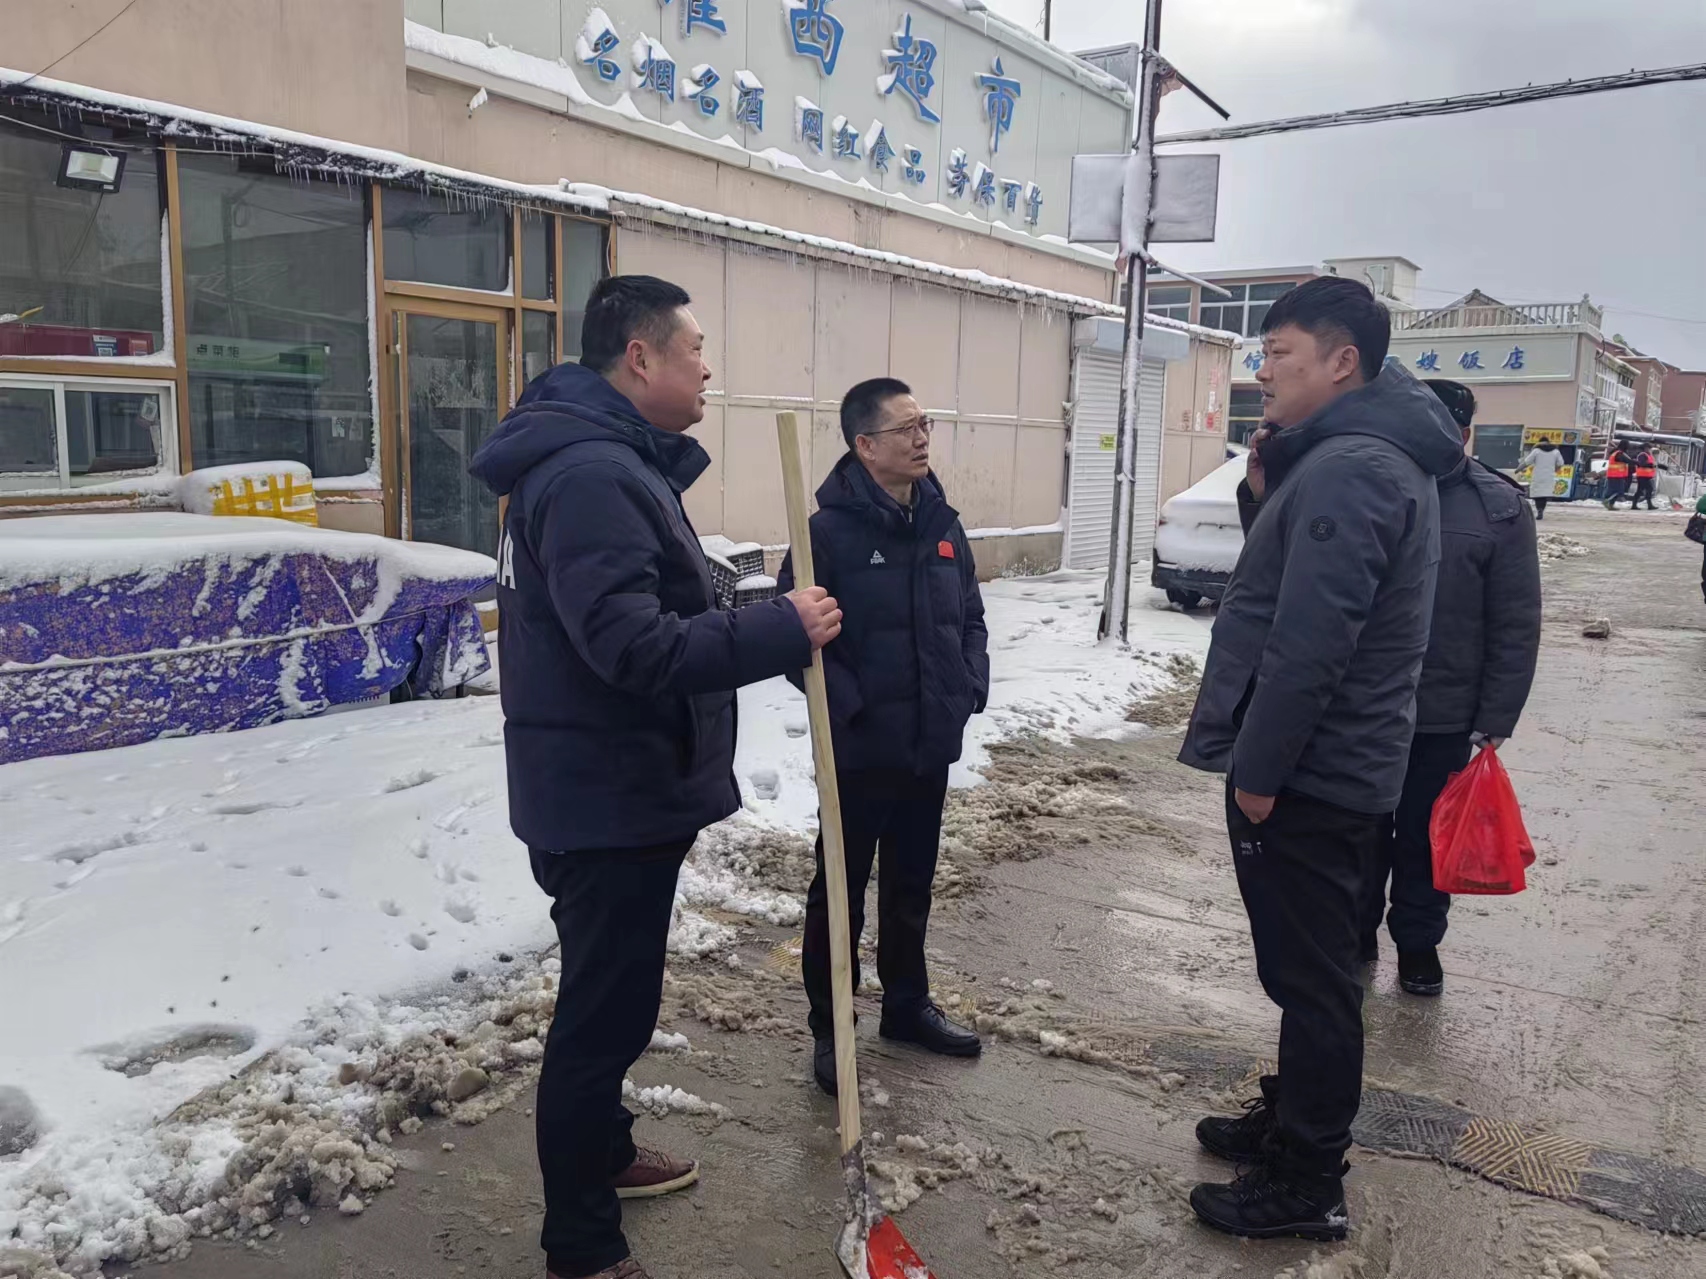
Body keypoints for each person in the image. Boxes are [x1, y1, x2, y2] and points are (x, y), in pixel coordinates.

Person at [468, 275, 843, 1279]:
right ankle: (582, 1245)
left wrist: (748, 609)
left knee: (612, 999)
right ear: (640, 357)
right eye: (695, 349)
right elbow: (631, 648)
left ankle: (604, 1150)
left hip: (606, 785)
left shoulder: (602, 459)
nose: (707, 367)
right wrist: (778, 630)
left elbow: (642, 608)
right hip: (605, 797)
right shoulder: (592, 472)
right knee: (600, 1019)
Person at [1178, 276, 1465, 1242]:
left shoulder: (1355, 468)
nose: (1263, 372)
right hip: (1336, 765)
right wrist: (1269, 492)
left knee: (1315, 978)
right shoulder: (1354, 457)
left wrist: (1259, 773)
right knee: (1312, 969)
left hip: (1313, 774)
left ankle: (1308, 1179)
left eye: (1280, 354)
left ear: (1343, 362)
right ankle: (1293, 1117)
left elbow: (1310, 644)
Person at [776, 377, 989, 1097]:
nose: (922, 437)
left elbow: (970, 615)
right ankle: (831, 1027)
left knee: (911, 883)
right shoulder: (825, 535)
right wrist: (853, 708)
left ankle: (906, 1004)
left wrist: (968, 686)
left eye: (925, 423)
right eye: (906, 428)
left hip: (929, 741)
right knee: (839, 891)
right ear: (865, 445)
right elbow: (795, 641)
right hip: (860, 749)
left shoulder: (941, 522)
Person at [1362, 380, 1542, 995]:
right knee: (1357, 830)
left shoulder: (1498, 508)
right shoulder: (1373, 485)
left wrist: (1496, 716)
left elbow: (1515, 621)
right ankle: (1355, 931)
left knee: (1423, 837)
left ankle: (1417, 943)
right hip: (1365, 705)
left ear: (1463, 433)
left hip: (1443, 714)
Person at [1521, 439, 1563, 520]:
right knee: (1544, 495)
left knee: (1538, 495)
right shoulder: (1556, 452)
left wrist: (1518, 469)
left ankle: (1539, 509)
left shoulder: (1536, 451)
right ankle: (1541, 510)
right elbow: (1560, 463)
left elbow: (1527, 462)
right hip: (1549, 476)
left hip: (1538, 476)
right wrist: (1555, 469)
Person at [1631, 445, 1664, 510]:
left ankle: (1635, 505)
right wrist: (1652, 465)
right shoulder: (1642, 455)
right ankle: (1649, 505)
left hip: (1646, 476)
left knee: (1641, 490)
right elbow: (1642, 464)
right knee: (1649, 489)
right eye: (1649, 448)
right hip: (1642, 476)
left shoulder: (1649, 455)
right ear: (1645, 448)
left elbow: (1653, 464)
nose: (1649, 450)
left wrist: (1664, 467)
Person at [1603, 444, 1633, 509]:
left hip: (1616, 475)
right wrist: (1635, 462)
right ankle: (1607, 501)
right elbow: (1626, 460)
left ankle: (1610, 505)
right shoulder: (1619, 454)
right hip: (1616, 475)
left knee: (1615, 490)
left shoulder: (1617, 453)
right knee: (1619, 491)